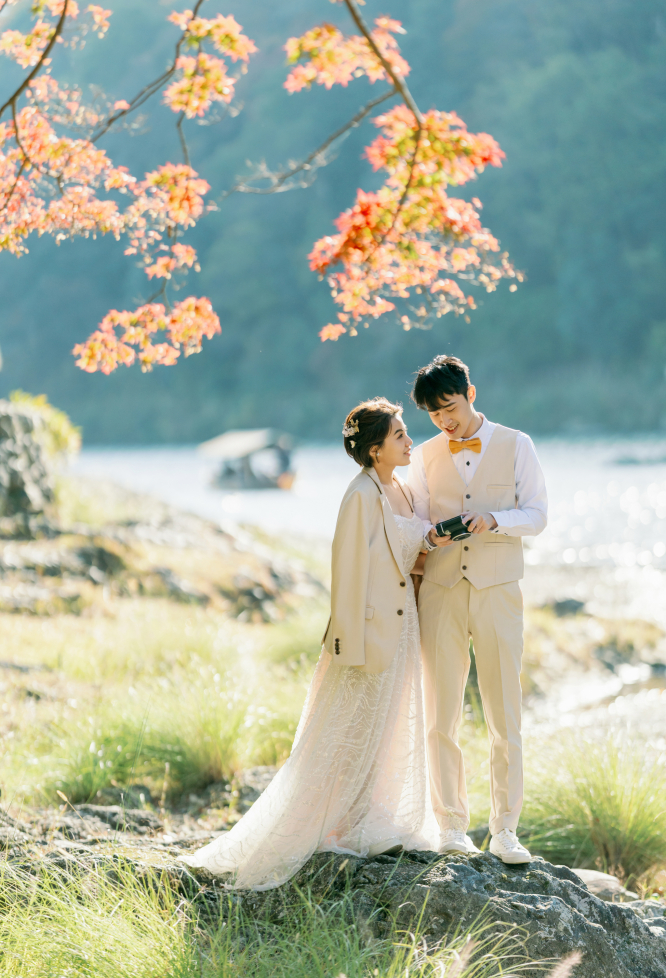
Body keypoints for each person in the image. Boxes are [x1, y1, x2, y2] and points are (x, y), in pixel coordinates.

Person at [178, 397, 438, 889]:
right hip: (367, 630)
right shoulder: (360, 494)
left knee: (389, 725)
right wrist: (349, 643)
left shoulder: (402, 488)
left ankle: (374, 819)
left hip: (404, 623)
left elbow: (406, 552)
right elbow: (348, 572)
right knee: (348, 731)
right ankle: (328, 824)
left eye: (406, 432)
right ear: (375, 449)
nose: (409, 441)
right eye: (400, 435)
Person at [406, 355, 547, 864]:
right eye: (434, 413)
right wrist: (431, 536)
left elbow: (537, 515)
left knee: (505, 714)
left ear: (470, 393)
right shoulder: (424, 455)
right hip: (440, 591)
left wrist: (494, 519)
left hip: (498, 591)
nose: (444, 420)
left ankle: (506, 830)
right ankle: (450, 825)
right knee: (439, 714)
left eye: (449, 407)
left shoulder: (517, 444)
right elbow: (416, 523)